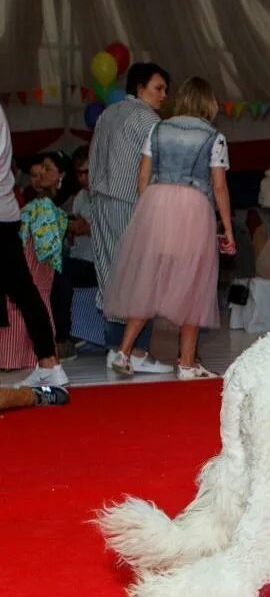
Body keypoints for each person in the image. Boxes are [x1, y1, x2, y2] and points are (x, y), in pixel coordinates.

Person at [104, 77, 236, 380]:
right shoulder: (214, 137)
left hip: (157, 203)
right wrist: (226, 228)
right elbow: (219, 186)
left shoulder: (157, 128)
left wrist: (148, 210)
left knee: (150, 279)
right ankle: (187, 363)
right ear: (208, 102)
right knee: (194, 284)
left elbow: (142, 177)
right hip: (193, 207)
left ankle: (123, 352)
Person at [89, 61, 173, 375]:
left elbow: (94, 158)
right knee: (139, 275)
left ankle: (116, 347)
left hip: (100, 201)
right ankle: (134, 350)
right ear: (139, 88)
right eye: (158, 88)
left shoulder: (107, 114)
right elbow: (155, 168)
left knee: (110, 273)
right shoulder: (147, 118)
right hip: (132, 202)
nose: (163, 95)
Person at [0, 105, 69, 387]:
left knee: (23, 290)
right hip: (5, 215)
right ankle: (49, 363)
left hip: (2, 215)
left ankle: (50, 363)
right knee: (24, 290)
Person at [51, 145, 97, 360]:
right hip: (80, 258)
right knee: (53, 264)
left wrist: (86, 228)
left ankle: (63, 338)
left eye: (87, 172)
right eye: (79, 173)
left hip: (101, 264)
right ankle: (57, 335)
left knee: (62, 269)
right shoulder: (80, 197)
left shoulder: (108, 197)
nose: (83, 178)